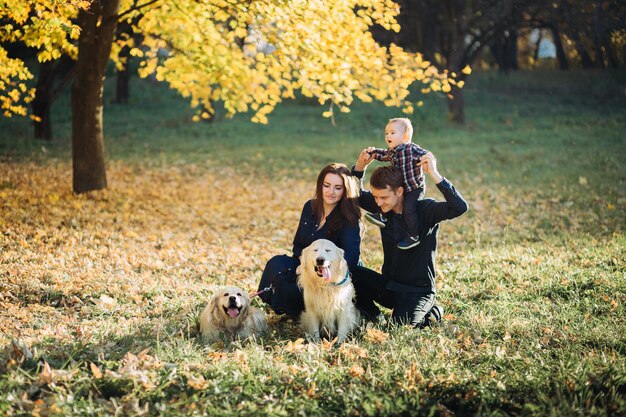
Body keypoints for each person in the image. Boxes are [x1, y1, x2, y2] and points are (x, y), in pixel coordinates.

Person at [351, 150, 468, 327]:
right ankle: (373, 315)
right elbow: (355, 193)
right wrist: (360, 167)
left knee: (398, 328)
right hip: (388, 285)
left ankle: (433, 311)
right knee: (351, 273)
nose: (378, 202)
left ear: (399, 191)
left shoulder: (425, 210)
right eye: (375, 197)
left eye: (383, 197)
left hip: (417, 290)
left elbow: (459, 207)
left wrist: (434, 174)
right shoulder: (382, 208)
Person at [257, 163, 362, 318]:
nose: (330, 192)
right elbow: (298, 245)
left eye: (338, 188)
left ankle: (306, 314)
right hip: (307, 264)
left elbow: (350, 260)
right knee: (277, 264)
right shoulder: (310, 206)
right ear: (320, 185)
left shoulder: (349, 219)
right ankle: (291, 309)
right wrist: (302, 264)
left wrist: (322, 274)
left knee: (298, 288)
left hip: (331, 275)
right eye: (326, 185)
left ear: (345, 190)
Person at [363, 117, 429, 250]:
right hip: (401, 187)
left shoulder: (411, 149)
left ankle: (413, 236)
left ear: (404, 137)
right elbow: (383, 155)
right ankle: (382, 216)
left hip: (414, 187)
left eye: (392, 133)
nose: (388, 136)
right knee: (387, 198)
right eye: (386, 133)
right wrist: (373, 153)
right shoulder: (393, 152)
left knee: (409, 209)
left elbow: (425, 153)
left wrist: (428, 160)